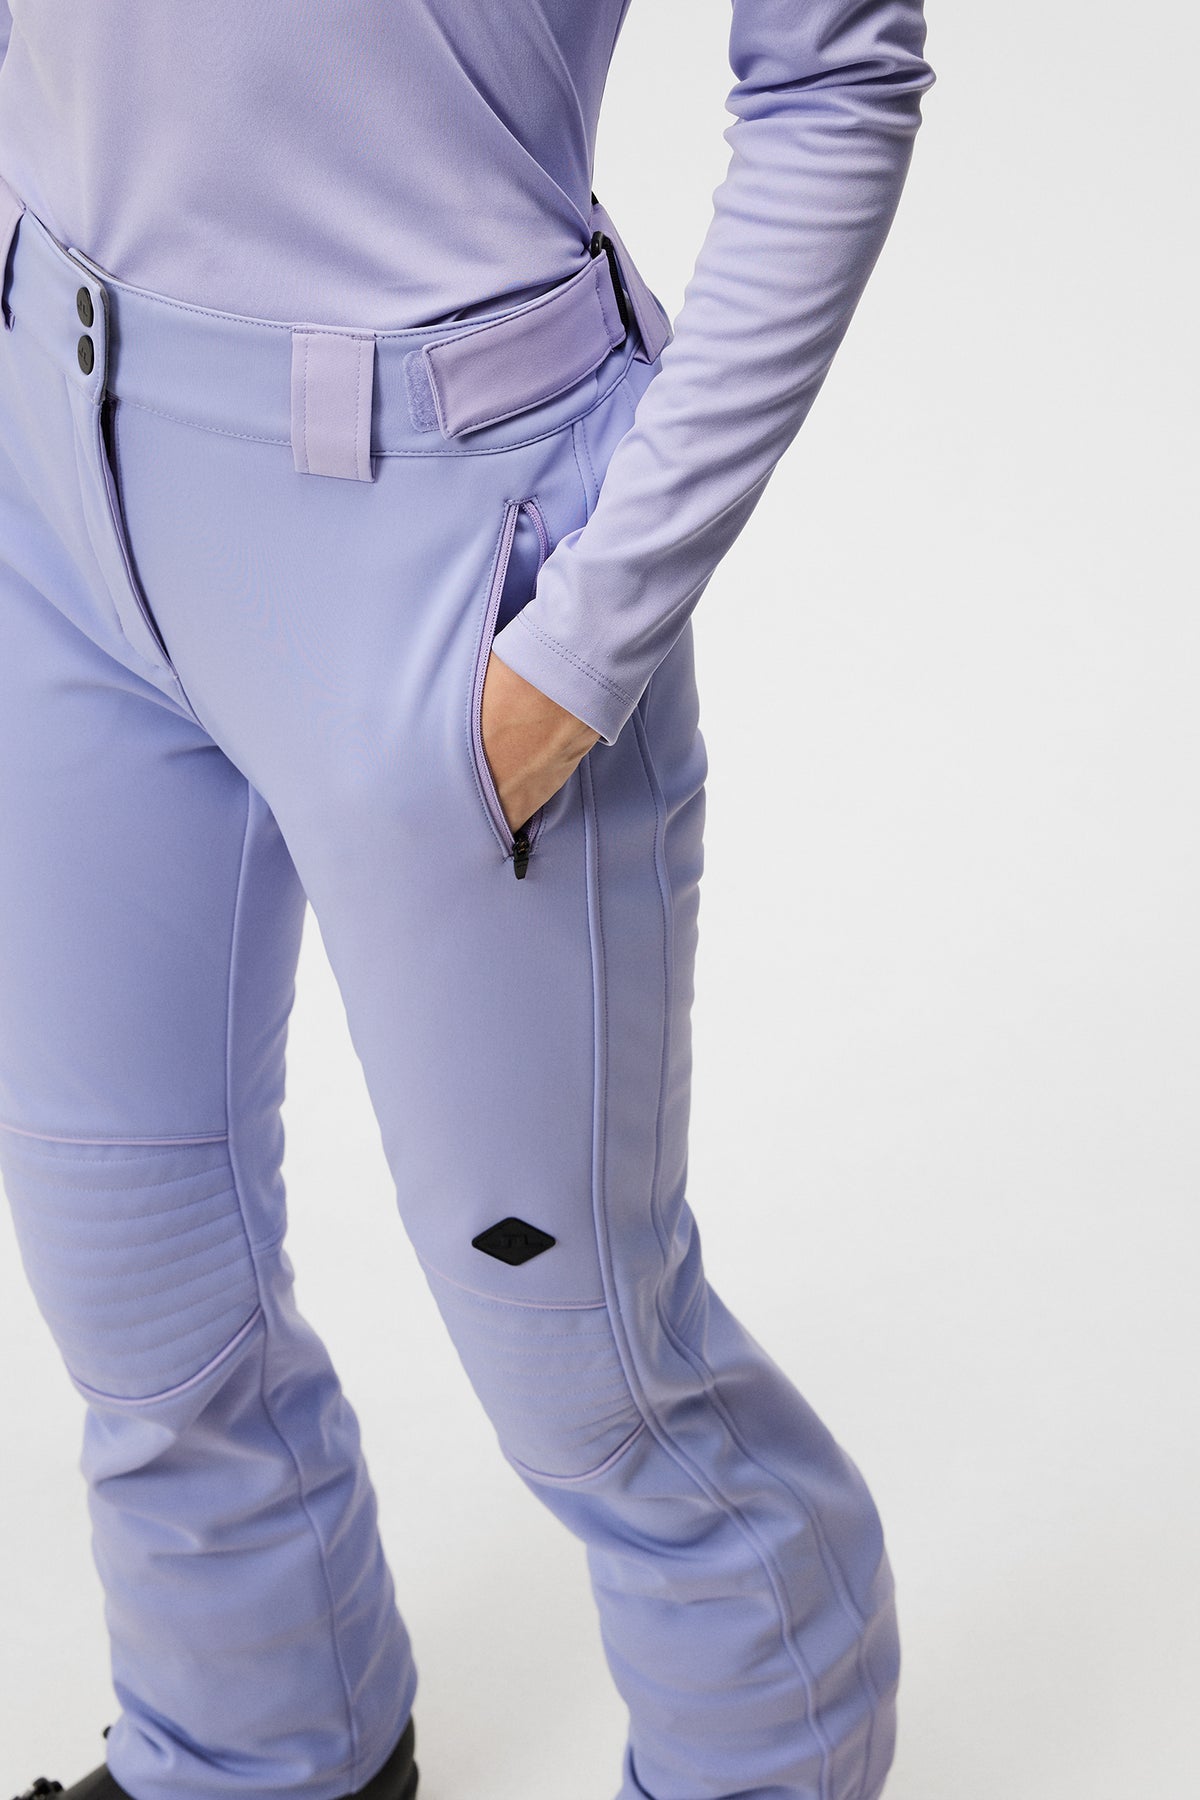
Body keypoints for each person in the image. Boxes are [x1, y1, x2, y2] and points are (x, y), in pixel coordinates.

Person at [0, 5, 934, 1799]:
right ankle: (249, 1748)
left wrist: (580, 646)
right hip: (59, 461)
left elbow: (835, 77)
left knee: (586, 1362)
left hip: (441, 541)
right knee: (132, 1274)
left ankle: (766, 1757)